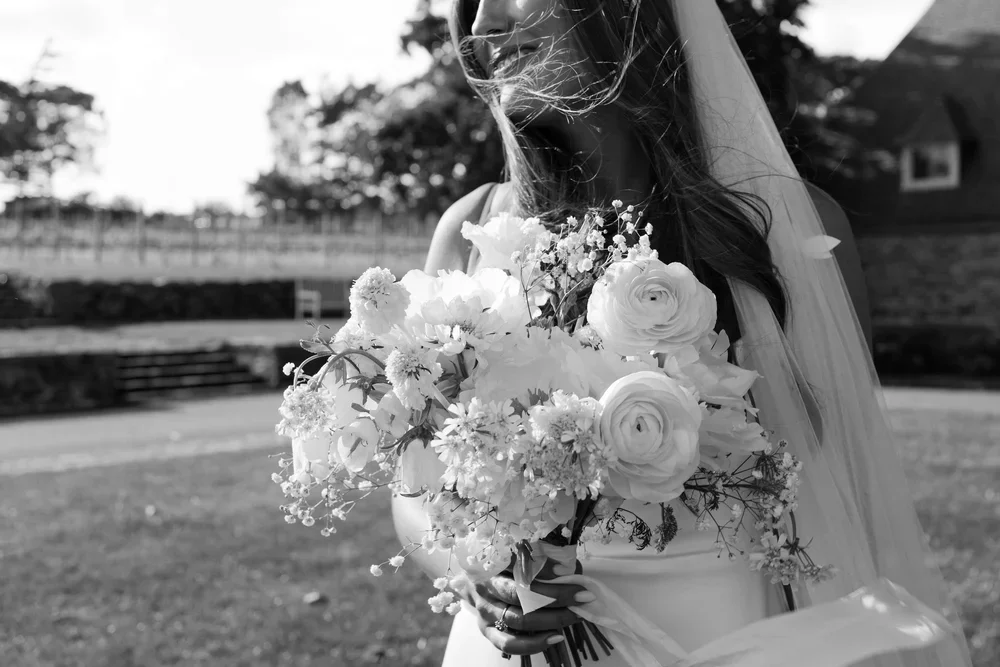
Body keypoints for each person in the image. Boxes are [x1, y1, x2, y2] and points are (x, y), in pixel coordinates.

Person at [392, 1, 973, 666]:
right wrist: (473, 571)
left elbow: (850, 493)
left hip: (731, 637)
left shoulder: (794, 232)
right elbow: (414, 491)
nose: (479, 27)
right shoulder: (469, 235)